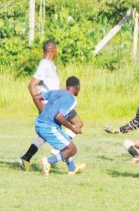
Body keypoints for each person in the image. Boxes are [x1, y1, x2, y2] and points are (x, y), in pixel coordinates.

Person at [18, 40, 83, 171]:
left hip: (56, 101)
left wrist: (66, 90)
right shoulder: (45, 65)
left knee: (46, 135)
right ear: (53, 50)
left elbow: (51, 86)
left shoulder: (51, 65)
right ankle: (61, 153)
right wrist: (41, 107)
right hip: (52, 106)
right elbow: (32, 85)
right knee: (78, 123)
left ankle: (26, 158)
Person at [35, 76, 84, 176]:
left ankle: (72, 168)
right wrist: (72, 128)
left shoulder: (56, 92)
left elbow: (37, 97)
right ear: (77, 87)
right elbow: (59, 117)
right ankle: (48, 161)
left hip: (39, 124)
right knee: (72, 149)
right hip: (49, 127)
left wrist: (42, 111)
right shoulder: (72, 99)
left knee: (66, 145)